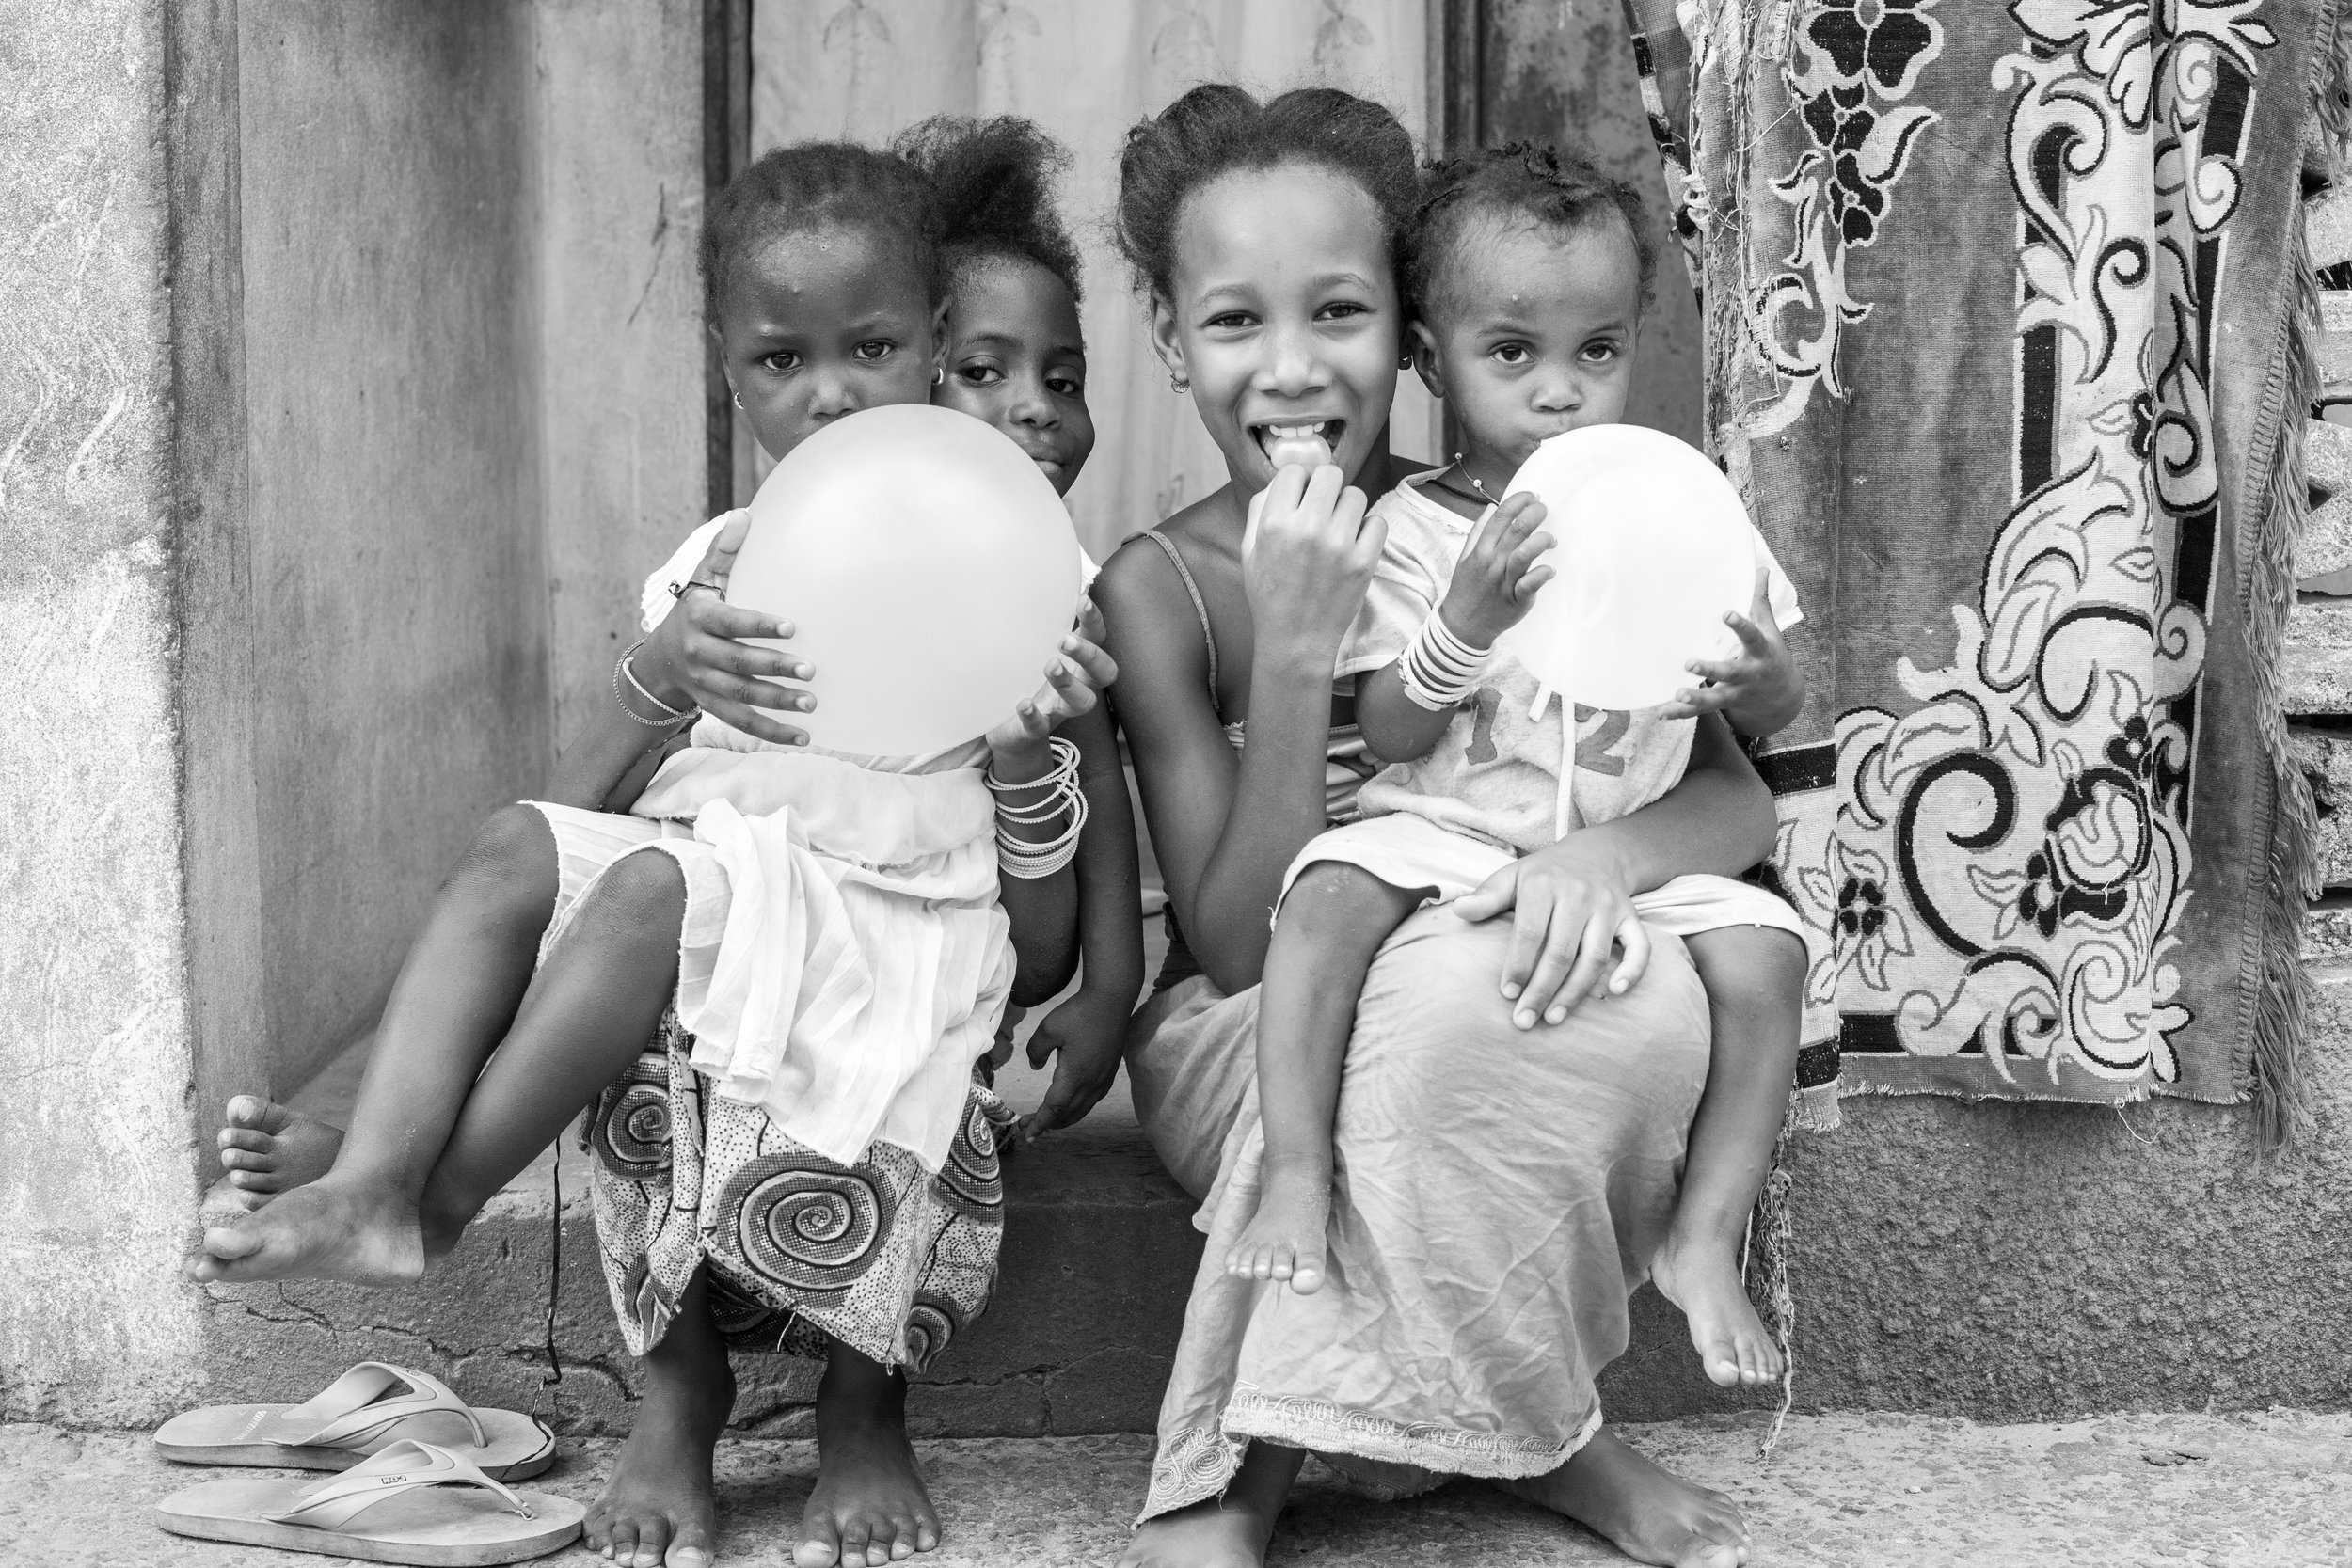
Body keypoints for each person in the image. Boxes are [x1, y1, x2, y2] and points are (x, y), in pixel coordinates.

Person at [193, 132, 1115, 1568]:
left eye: (871, 345)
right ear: (725, 369)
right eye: (777, 360)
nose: (827, 393)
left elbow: (1045, 933)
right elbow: (580, 792)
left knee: (644, 891)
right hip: (714, 888)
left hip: (898, 916)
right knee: (519, 847)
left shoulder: (1007, 552)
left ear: (937, 339)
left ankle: (472, 1212)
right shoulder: (726, 559)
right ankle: (389, 1177)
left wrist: (1021, 754)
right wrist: (663, 668)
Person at [1092, 85, 1772, 1568]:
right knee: (1435, 1012)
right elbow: (1225, 943)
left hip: (1516, 930)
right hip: (1268, 1019)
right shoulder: (1162, 584)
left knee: (1617, 990)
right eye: (1231, 324)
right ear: (1168, 339)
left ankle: (1526, 1426)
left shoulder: (1525, 525)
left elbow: (1722, 789)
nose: (1290, 368)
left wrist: (1597, 854)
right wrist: (1293, 651)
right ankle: (1285, 1465)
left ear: (1409, 329)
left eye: (1336, 311)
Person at [1221, 142, 1809, 1400]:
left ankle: (1704, 1237)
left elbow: (1763, 705)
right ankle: (1294, 1166)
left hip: (1628, 845)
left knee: (1768, 958)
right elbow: (1383, 731)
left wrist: (1761, 686)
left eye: (1596, 351)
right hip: (1443, 828)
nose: (1560, 393)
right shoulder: (1413, 528)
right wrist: (1467, 620)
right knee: (1322, 899)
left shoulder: (1678, 507)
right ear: (1434, 362)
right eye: (1513, 354)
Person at [897, 115, 1145, 1142]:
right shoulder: (835, 551)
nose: (1037, 407)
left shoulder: (1066, 585)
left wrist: (1113, 986)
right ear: (908, 378)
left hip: (1000, 922)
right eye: (983, 370)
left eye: (1062, 378)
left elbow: (1102, 793)